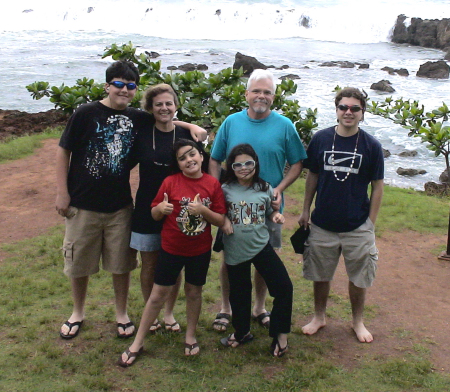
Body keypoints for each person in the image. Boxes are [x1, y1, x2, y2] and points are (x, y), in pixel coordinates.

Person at [209, 68, 307, 332]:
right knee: (230, 258)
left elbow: (298, 162)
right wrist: (216, 193)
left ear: (273, 97)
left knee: (266, 260)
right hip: (233, 208)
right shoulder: (231, 122)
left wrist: (280, 188)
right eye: (256, 91)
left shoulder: (285, 126)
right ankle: (226, 307)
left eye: (267, 92)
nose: (261, 96)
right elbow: (214, 159)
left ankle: (259, 307)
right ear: (246, 94)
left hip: (269, 208)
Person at [56, 60, 146, 339]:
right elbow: (63, 151)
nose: (124, 90)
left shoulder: (138, 117)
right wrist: (62, 192)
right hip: (82, 204)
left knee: (121, 264)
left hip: (120, 206)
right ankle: (78, 312)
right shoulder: (85, 113)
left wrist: (190, 127)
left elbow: (165, 118)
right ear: (107, 85)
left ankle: (121, 313)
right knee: (78, 263)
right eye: (118, 84)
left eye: (130, 86)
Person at [118, 139, 226, 367]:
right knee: (158, 294)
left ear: (201, 156)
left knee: (194, 292)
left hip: (200, 250)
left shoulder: (212, 184)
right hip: (171, 249)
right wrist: (160, 209)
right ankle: (138, 341)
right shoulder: (170, 182)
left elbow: (220, 219)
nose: (189, 160)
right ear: (177, 164)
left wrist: (203, 210)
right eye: (182, 158)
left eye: (192, 154)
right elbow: (154, 213)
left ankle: (190, 335)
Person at [298, 87, 384, 343]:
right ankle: (319, 317)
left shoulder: (372, 145)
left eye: (354, 108)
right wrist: (305, 209)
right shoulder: (321, 139)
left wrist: (371, 222)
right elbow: (312, 175)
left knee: (359, 277)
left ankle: (357, 321)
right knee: (320, 274)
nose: (348, 112)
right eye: (343, 107)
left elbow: (377, 186)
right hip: (322, 222)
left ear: (362, 113)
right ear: (336, 110)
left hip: (357, 224)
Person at [129, 84, 207, 333]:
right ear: (150, 108)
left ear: (176, 105)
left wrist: (192, 127)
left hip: (178, 212)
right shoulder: (142, 132)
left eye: (169, 103)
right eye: (158, 104)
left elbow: (201, 170)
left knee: (173, 265)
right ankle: (150, 313)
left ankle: (170, 313)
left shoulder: (185, 138)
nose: (164, 108)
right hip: (146, 209)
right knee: (149, 264)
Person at [219, 144, 293, 357]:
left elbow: (271, 211)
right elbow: (217, 212)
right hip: (234, 250)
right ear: (231, 167)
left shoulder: (265, 188)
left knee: (284, 287)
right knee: (239, 294)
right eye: (238, 164)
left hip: (261, 246)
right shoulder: (224, 189)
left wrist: (276, 216)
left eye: (248, 163)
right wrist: (223, 220)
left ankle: (280, 335)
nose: (244, 168)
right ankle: (241, 332)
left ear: (256, 164)